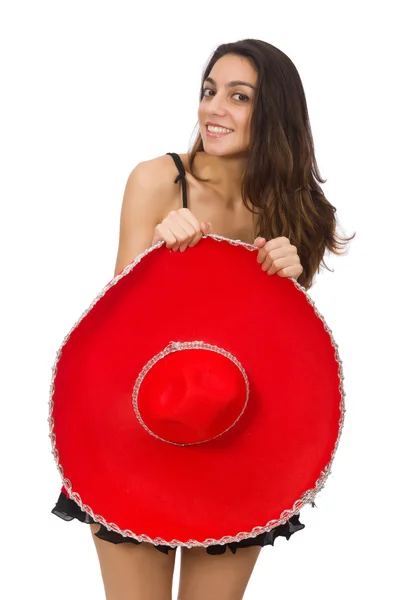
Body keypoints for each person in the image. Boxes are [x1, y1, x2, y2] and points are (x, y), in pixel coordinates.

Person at [52, 38, 354, 600]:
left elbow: (282, 350)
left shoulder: (297, 210)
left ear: (275, 114)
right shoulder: (159, 180)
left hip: (236, 440)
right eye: (209, 91)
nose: (214, 109)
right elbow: (113, 333)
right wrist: (155, 262)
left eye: (238, 97)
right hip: (137, 433)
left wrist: (287, 277)